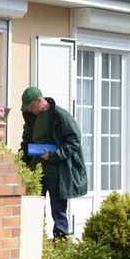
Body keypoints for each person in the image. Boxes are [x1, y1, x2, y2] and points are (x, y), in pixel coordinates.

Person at [19, 86, 88, 238]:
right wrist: (21, 161)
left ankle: (60, 244)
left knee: (59, 213)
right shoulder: (31, 117)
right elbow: (26, 141)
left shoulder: (60, 115)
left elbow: (74, 140)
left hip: (58, 173)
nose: (30, 110)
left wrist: (53, 155)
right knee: (35, 209)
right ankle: (38, 243)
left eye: (31, 106)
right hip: (36, 171)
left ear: (39, 100)